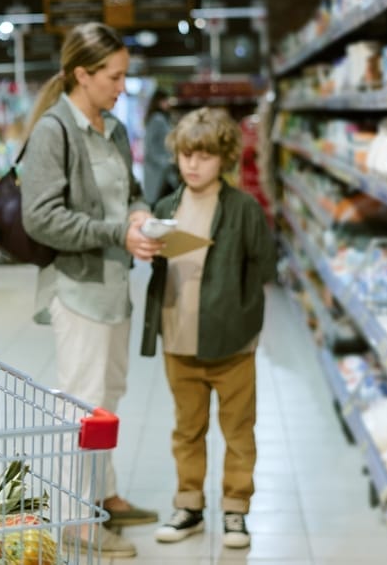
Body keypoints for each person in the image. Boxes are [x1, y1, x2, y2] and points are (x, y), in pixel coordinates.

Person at [19, 22, 164, 559]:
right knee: (80, 407)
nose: (122, 87)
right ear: (83, 73)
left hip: (113, 286)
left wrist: (141, 214)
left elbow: (131, 190)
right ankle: (75, 518)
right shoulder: (54, 132)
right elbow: (42, 219)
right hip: (77, 289)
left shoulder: (114, 129)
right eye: (114, 76)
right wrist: (115, 232)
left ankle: (104, 494)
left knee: (109, 399)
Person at [140, 107, 277, 549]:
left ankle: (236, 509)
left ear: (225, 159)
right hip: (178, 338)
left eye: (204, 155)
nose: (193, 165)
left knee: (238, 430)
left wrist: (247, 321)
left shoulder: (243, 209)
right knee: (187, 429)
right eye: (186, 155)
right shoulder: (164, 207)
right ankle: (189, 505)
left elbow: (264, 267)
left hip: (232, 342)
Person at [142, 86, 180, 206]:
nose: (168, 103)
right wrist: (167, 162)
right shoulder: (157, 119)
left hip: (163, 173)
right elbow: (150, 148)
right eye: (165, 100)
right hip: (159, 174)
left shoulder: (160, 119)